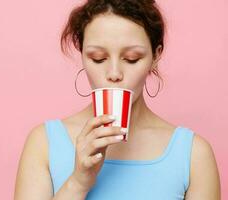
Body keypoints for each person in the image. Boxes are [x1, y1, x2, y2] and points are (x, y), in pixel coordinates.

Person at [14, 0, 221, 199]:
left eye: (131, 59)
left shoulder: (194, 155)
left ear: (155, 57)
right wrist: (78, 182)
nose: (114, 73)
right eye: (98, 58)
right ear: (83, 56)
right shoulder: (44, 143)